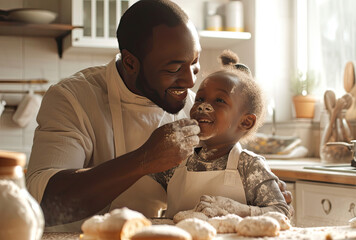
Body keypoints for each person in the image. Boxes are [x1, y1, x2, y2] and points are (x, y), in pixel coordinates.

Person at [25, 0, 292, 232]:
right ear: (130, 62)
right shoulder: (72, 99)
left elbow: (216, 165)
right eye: (174, 68)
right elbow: (44, 202)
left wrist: (255, 187)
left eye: (194, 64)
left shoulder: (192, 105)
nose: (189, 82)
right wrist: (144, 160)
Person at [152, 50, 292, 219]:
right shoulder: (178, 158)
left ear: (246, 122)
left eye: (219, 101)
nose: (203, 107)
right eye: (200, 99)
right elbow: (138, 190)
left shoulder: (250, 166)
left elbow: (282, 213)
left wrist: (236, 209)